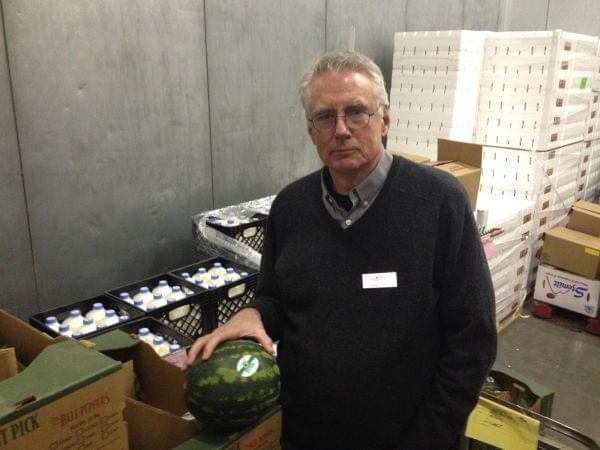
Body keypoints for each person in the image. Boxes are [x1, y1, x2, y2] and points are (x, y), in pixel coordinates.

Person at [186, 51, 497, 449]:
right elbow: (276, 298)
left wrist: (429, 439)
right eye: (324, 117)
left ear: (384, 119)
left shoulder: (438, 203)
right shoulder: (290, 207)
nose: (341, 130)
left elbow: (473, 338)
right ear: (311, 130)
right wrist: (253, 313)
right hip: (307, 436)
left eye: (356, 112)